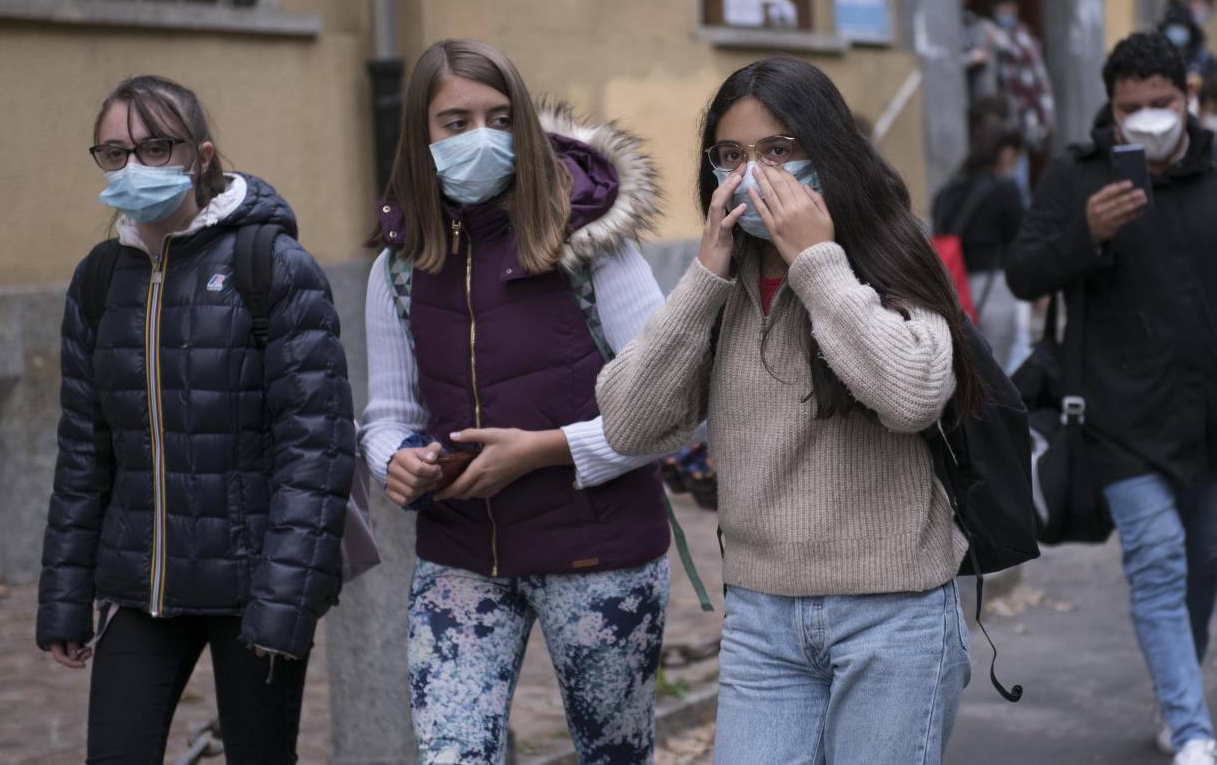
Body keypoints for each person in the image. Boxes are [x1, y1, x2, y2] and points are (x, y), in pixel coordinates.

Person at [594, 55, 981, 764]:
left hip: (893, 615)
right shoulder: (724, 283)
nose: (754, 173)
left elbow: (913, 395)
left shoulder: (889, 251)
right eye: (732, 155)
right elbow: (627, 422)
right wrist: (704, 276)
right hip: (761, 622)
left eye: (779, 151)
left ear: (827, 153)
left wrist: (817, 262)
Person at [360, 38, 674, 763]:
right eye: (456, 122)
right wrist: (395, 462)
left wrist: (544, 451)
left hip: (599, 557)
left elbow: (668, 406)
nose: (481, 139)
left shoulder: (594, 243)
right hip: (461, 556)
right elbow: (387, 417)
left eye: (501, 118)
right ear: (421, 136)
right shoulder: (399, 267)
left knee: (614, 756)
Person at [34, 75, 356, 764]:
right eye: (115, 152)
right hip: (140, 586)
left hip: (253, 589)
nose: (134, 167)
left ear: (200, 156)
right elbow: (84, 452)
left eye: (156, 147)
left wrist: (286, 598)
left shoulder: (269, 265)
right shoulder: (97, 280)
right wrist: (64, 597)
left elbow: (317, 449)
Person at [1005, 31, 1217, 765]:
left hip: (1208, 418)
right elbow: (1025, 272)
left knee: (1202, 566)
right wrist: (1085, 233)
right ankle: (1193, 731)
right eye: (1133, 109)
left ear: (1187, 97)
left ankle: (1173, 694)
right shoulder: (1080, 175)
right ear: (1112, 109)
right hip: (1119, 418)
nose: (1149, 120)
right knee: (1158, 560)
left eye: (1162, 104)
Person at [931, 121, 1026, 369]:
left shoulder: (946, 192)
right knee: (997, 375)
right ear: (1007, 154)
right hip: (993, 289)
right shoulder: (1006, 190)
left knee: (963, 373)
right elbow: (1020, 241)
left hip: (951, 287)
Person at [982, 0, 1055, 202]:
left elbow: (1039, 76)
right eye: (1003, 6)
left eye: (1011, 6)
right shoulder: (987, 32)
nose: (1008, 11)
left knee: (1020, 174)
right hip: (1003, 114)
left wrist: (1047, 113)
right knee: (1008, 175)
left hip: (1026, 116)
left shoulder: (1023, 34)